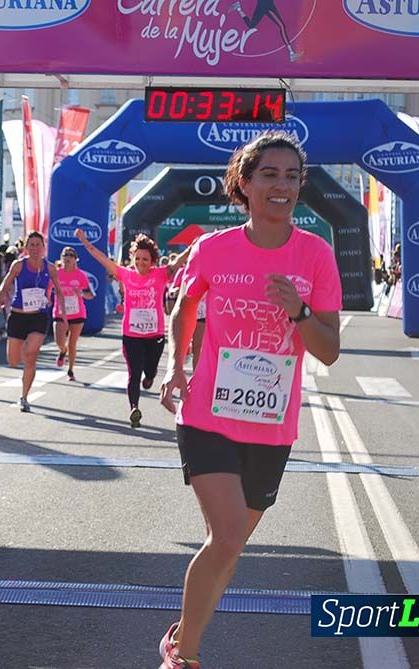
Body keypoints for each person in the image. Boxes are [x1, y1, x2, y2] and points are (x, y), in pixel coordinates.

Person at [157, 131, 341, 669]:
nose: (280, 185)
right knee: (230, 534)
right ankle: (183, 657)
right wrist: (176, 363)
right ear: (244, 182)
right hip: (209, 415)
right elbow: (184, 309)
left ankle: (181, 632)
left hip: (270, 424)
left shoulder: (315, 254)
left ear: (300, 187)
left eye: (291, 176)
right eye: (269, 174)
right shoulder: (213, 248)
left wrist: (301, 313)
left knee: (228, 548)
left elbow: (328, 351)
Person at [76, 228, 177, 428]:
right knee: (134, 373)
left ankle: (150, 378)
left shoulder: (159, 275)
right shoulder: (125, 275)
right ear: (132, 258)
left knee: (149, 372)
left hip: (154, 335)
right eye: (137, 259)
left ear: (153, 261)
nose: (140, 263)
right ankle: (134, 408)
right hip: (131, 335)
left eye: (145, 259)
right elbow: (102, 258)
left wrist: (195, 246)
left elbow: (178, 263)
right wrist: (85, 243)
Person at [0, 231, 64, 412]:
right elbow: (4, 286)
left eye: (38, 245)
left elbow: (59, 290)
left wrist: (62, 312)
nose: (35, 249)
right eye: (31, 245)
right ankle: (24, 364)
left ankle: (24, 397)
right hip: (18, 315)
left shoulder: (50, 268)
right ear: (26, 248)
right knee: (13, 361)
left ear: (43, 248)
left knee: (31, 354)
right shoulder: (19, 265)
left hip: (38, 316)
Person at [52, 245, 95, 381]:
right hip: (60, 312)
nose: (68, 257)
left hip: (77, 312)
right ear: (61, 258)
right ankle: (62, 350)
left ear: (76, 259)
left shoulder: (81, 275)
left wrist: (81, 293)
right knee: (59, 341)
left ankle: (70, 370)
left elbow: (91, 294)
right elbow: (47, 288)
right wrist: (46, 298)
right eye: (65, 255)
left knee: (72, 343)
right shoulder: (56, 273)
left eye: (71, 255)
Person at [229, 0, 301, 62]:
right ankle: (291, 53)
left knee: (251, 25)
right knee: (282, 26)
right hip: (266, 4)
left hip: (265, 4)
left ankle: (238, 8)